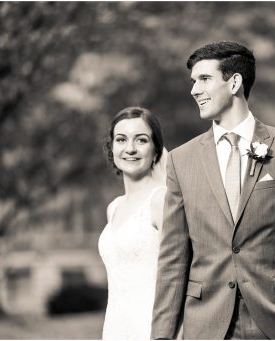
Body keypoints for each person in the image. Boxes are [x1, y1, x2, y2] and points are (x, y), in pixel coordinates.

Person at [151, 41, 275, 340]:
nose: (194, 90)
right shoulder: (181, 161)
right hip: (207, 326)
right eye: (193, 81)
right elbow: (173, 257)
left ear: (234, 82)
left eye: (204, 79)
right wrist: (162, 335)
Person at [99, 106, 167, 340]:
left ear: (156, 150)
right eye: (121, 139)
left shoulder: (161, 200)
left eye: (141, 140)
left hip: (151, 328)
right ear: (112, 147)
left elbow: (180, 272)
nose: (130, 148)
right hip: (115, 327)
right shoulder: (114, 207)